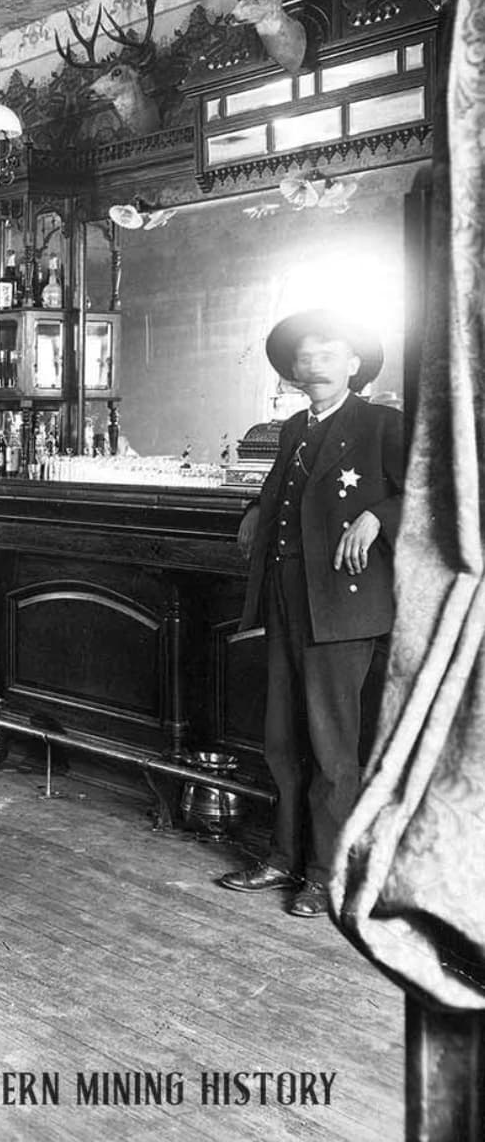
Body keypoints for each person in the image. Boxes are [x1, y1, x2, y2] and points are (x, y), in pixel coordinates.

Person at [217, 309, 404, 919]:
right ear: (294, 370)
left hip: (343, 608)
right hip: (287, 600)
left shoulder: (382, 424)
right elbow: (289, 493)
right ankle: (282, 856)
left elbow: (440, 493)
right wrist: (254, 505)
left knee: (331, 749)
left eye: (330, 352)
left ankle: (327, 874)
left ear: (354, 364)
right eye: (305, 355)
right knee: (281, 738)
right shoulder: (294, 428)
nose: (314, 362)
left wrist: (380, 516)